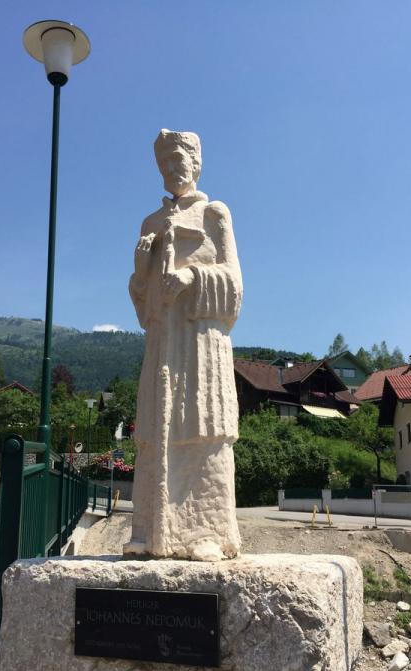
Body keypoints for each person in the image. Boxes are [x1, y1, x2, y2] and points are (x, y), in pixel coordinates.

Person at [124, 129, 243, 561]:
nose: (172, 169)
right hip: (162, 342)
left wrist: (193, 277)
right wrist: (142, 273)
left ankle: (205, 532)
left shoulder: (215, 214)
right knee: (156, 430)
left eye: (179, 160)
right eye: (164, 163)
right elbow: (143, 307)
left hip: (200, 341)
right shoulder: (150, 225)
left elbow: (234, 289)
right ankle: (147, 529)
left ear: (196, 162)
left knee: (202, 426)